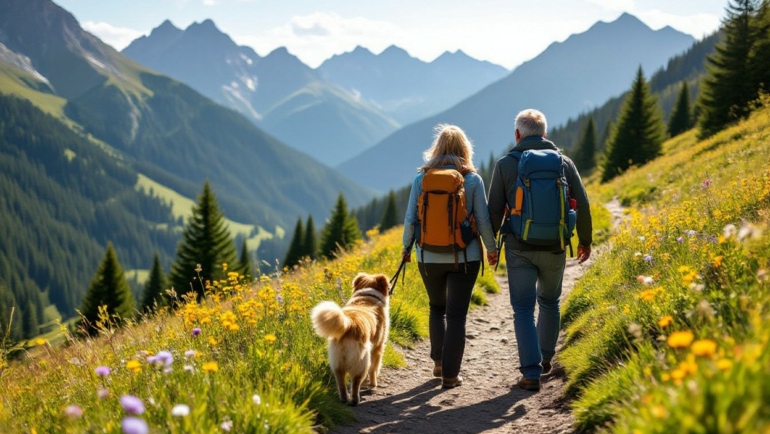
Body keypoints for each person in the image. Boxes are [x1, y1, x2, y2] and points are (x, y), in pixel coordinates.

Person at [487, 109, 592, 392]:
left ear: (517, 135)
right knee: (550, 302)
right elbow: (581, 202)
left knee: (522, 307)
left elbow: (494, 209)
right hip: (556, 246)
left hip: (519, 247)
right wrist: (585, 240)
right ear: (545, 134)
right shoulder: (564, 162)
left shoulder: (506, 164)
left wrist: (492, 245)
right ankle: (546, 359)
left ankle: (530, 372)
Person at [401, 124, 498, 389]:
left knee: (436, 307)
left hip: (428, 256)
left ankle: (438, 363)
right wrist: (491, 248)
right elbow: (483, 220)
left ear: (437, 148)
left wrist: (406, 248)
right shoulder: (472, 179)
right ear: (465, 149)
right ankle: (451, 376)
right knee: (456, 316)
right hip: (464, 257)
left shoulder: (422, 179)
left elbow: (411, 219)